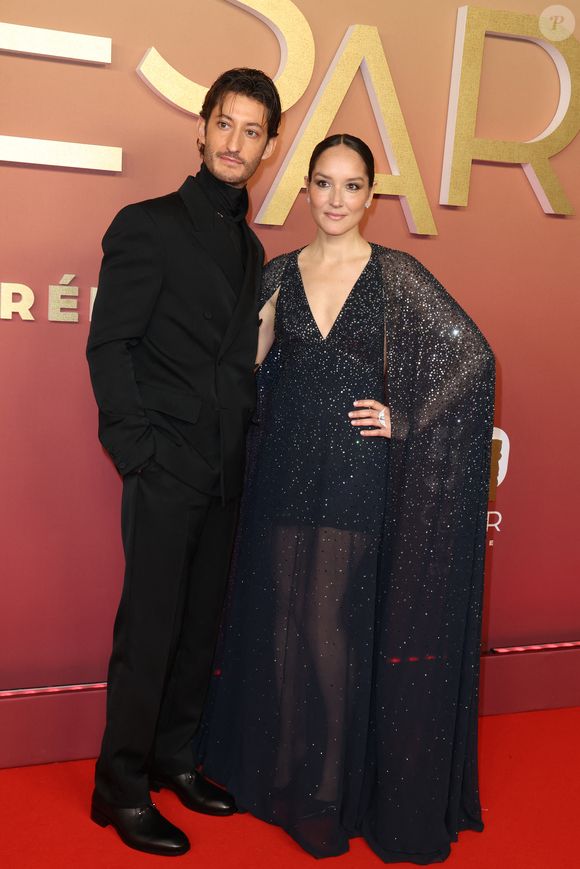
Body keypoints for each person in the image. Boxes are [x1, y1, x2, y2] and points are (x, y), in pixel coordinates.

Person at [195, 134, 495, 864]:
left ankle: (328, 785)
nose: (336, 200)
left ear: (370, 195)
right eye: (323, 184)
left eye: (351, 185)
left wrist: (409, 418)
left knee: (329, 623)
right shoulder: (276, 273)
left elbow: (473, 358)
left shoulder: (395, 275)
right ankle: (284, 769)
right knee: (281, 619)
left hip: (355, 471)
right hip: (284, 466)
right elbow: (248, 366)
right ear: (306, 189)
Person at [86, 68, 281, 857]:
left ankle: (175, 759)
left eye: (253, 131)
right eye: (225, 125)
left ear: (267, 148)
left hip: (227, 470)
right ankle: (121, 787)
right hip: (165, 467)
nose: (236, 143)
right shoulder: (147, 224)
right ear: (201, 130)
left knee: (199, 632)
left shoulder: (250, 243)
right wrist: (139, 453)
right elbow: (110, 345)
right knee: (151, 632)